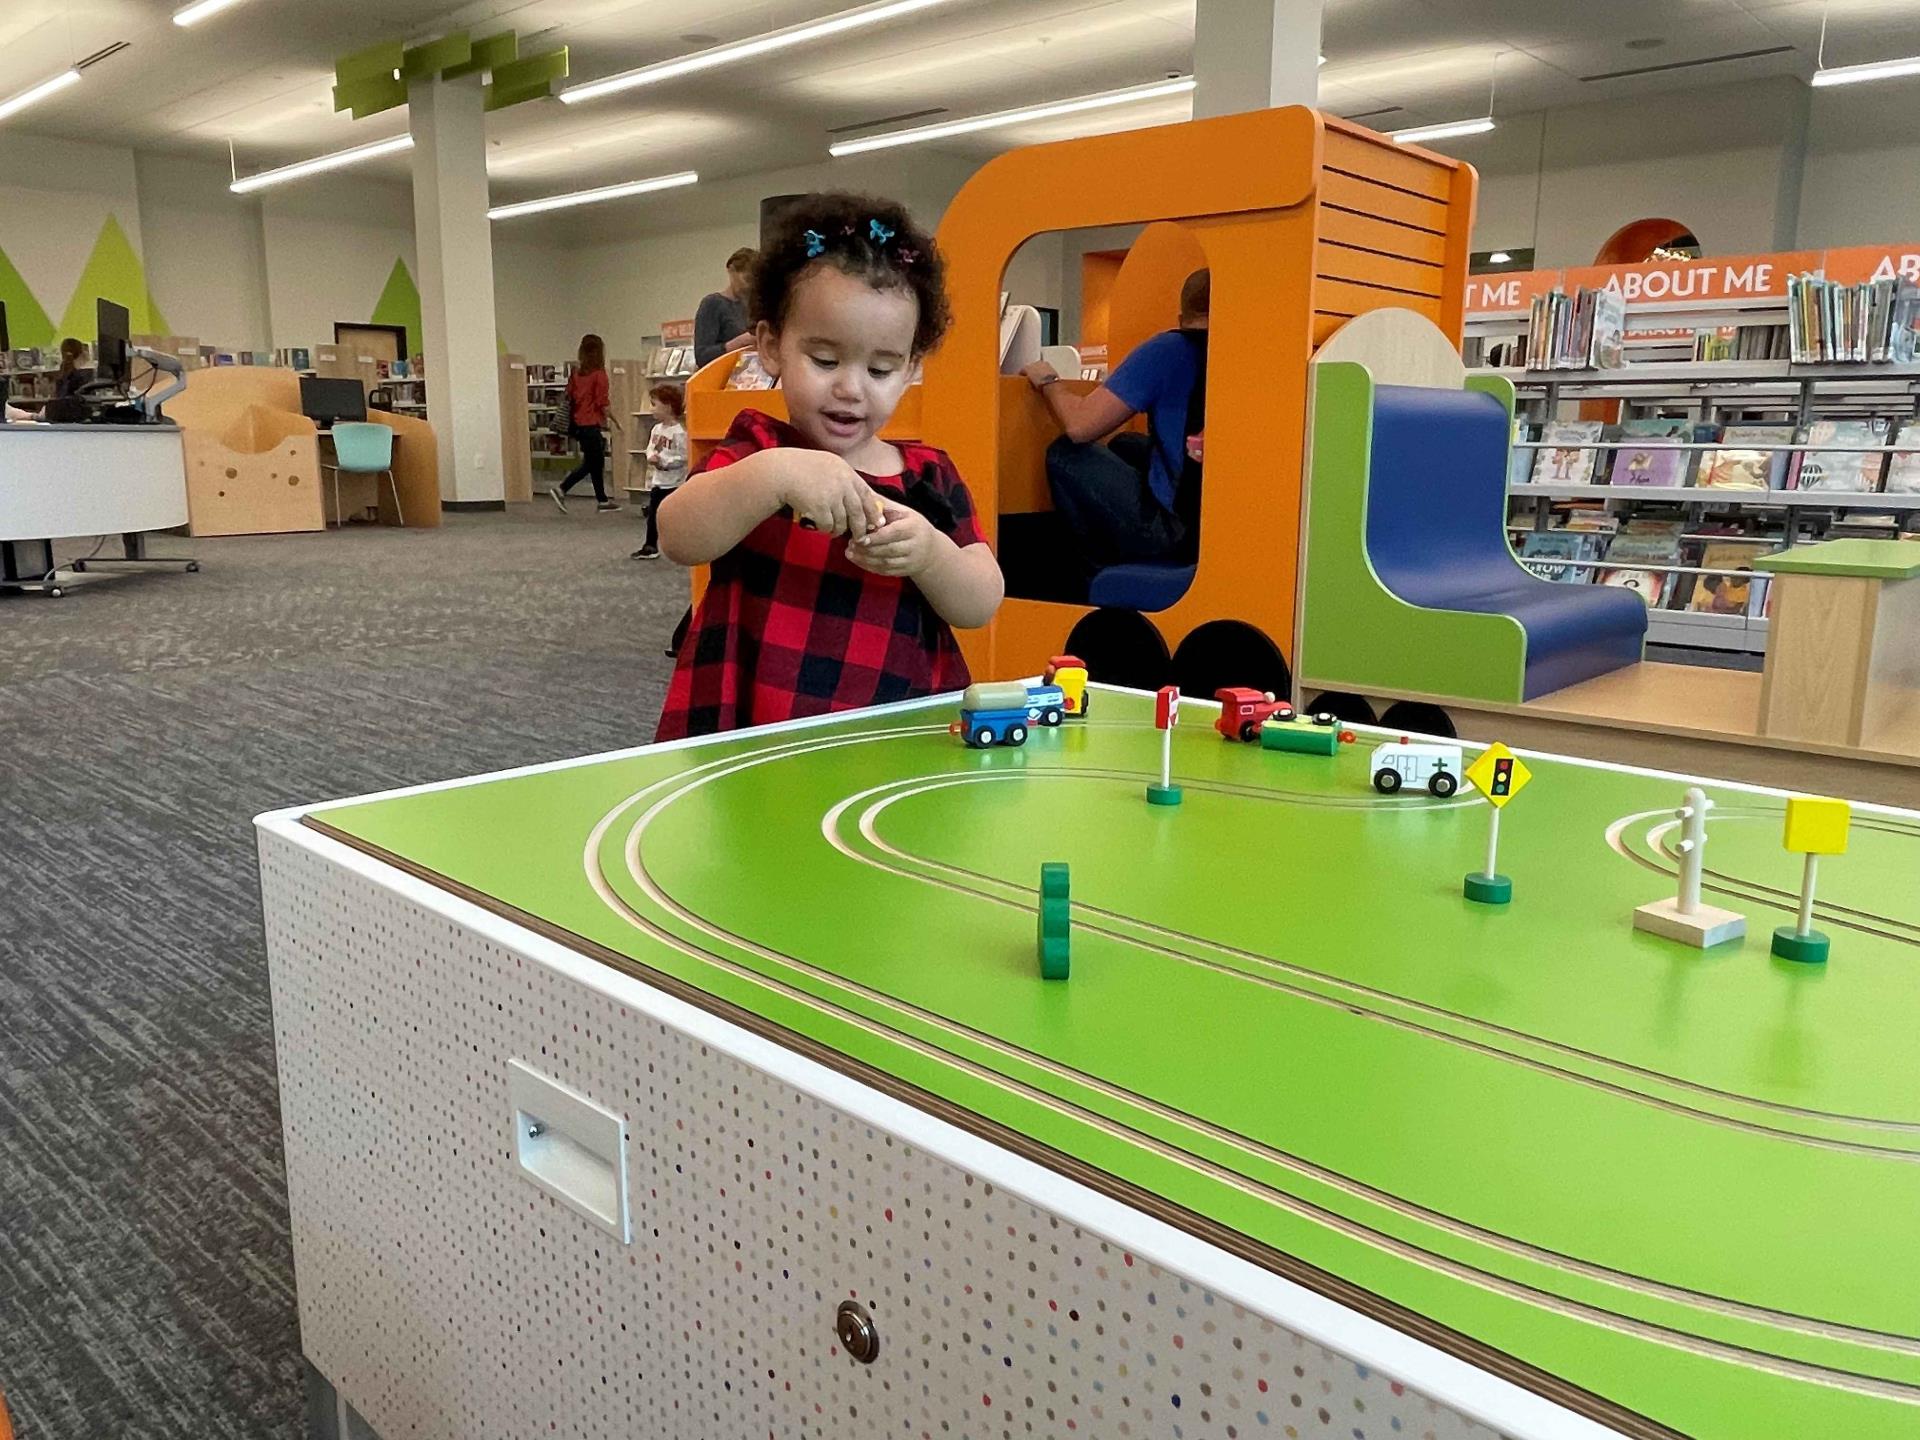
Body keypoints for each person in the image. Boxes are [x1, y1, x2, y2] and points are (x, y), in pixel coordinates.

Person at [653, 193, 1002, 740]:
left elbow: (981, 600)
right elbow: (677, 535)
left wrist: (931, 554)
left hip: (892, 728)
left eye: (881, 368)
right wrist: (774, 475)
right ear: (771, 346)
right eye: (824, 360)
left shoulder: (928, 477)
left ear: (911, 368)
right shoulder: (757, 448)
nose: (850, 388)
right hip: (758, 725)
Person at [1021, 268, 1209, 570]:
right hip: (1213, 527)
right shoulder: (1241, 354)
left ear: (1181, 316)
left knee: (1066, 453)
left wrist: (1048, 381)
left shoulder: (1170, 350)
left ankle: (1094, 570)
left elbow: (1080, 427)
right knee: (1125, 443)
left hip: (1174, 532)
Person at [553, 333, 620, 513]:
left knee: (594, 461)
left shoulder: (576, 374)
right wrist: (616, 422)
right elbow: (602, 402)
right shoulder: (600, 375)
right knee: (592, 463)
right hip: (591, 423)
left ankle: (602, 500)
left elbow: (569, 395)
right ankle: (562, 488)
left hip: (577, 424)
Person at [632, 384, 687, 560]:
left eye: (654, 404)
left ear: (668, 406)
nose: (651, 408)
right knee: (653, 516)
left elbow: (684, 457)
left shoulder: (680, 433)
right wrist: (651, 456)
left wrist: (664, 462)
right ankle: (650, 545)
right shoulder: (656, 429)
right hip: (658, 481)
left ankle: (683, 546)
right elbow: (650, 448)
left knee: (676, 517)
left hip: (675, 483)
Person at [692, 248, 759, 369]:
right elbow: (701, 356)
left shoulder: (751, 307)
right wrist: (739, 342)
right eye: (747, 279)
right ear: (731, 270)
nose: (750, 286)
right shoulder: (712, 304)